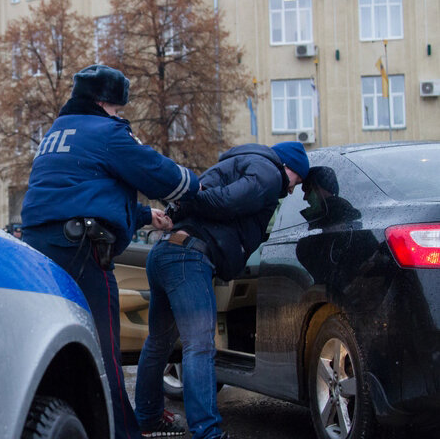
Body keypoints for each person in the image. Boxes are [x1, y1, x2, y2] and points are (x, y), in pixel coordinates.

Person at [20, 64, 200, 439]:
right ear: (104, 102)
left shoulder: (56, 132)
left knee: (60, 348)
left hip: (39, 249)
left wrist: (144, 216)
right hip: (82, 249)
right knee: (103, 355)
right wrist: (195, 185)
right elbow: (161, 175)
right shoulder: (107, 131)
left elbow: (82, 189)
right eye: (118, 109)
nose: (120, 116)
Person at [135, 141, 310, 439]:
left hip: (165, 252)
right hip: (188, 258)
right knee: (200, 345)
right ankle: (207, 432)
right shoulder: (269, 173)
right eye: (298, 180)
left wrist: (186, 201)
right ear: (288, 167)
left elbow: (214, 203)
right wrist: (191, 199)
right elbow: (228, 202)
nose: (292, 189)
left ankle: (148, 420)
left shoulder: (234, 165)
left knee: (159, 343)